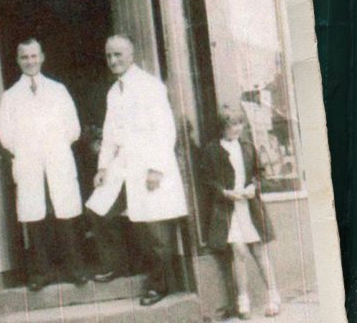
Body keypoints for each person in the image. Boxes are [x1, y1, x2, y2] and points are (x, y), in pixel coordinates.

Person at [86, 34, 189, 306]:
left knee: (153, 229)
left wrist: (157, 168)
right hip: (122, 165)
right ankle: (118, 263)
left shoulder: (149, 86)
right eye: (109, 55)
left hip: (149, 164)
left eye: (118, 54)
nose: (113, 60)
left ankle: (160, 285)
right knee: (99, 209)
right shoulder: (113, 92)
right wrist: (103, 167)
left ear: (131, 55)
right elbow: (109, 134)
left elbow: (165, 128)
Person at [0, 38, 89, 290]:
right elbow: (5, 134)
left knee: (66, 215)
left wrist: (53, 147)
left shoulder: (58, 90)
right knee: (34, 218)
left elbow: (73, 128)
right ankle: (41, 273)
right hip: (29, 163)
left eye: (34, 56)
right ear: (18, 60)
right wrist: (27, 151)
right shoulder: (10, 97)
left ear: (42, 57)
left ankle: (75, 270)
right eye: (24, 57)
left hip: (57, 159)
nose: (30, 61)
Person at [203, 103, 281, 319]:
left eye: (239, 124)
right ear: (222, 126)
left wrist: (252, 187)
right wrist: (225, 193)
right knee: (238, 252)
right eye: (231, 125)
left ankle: (273, 296)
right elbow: (208, 181)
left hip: (249, 206)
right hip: (228, 209)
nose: (236, 129)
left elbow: (259, 173)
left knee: (258, 250)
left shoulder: (247, 147)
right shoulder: (212, 150)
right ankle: (242, 300)